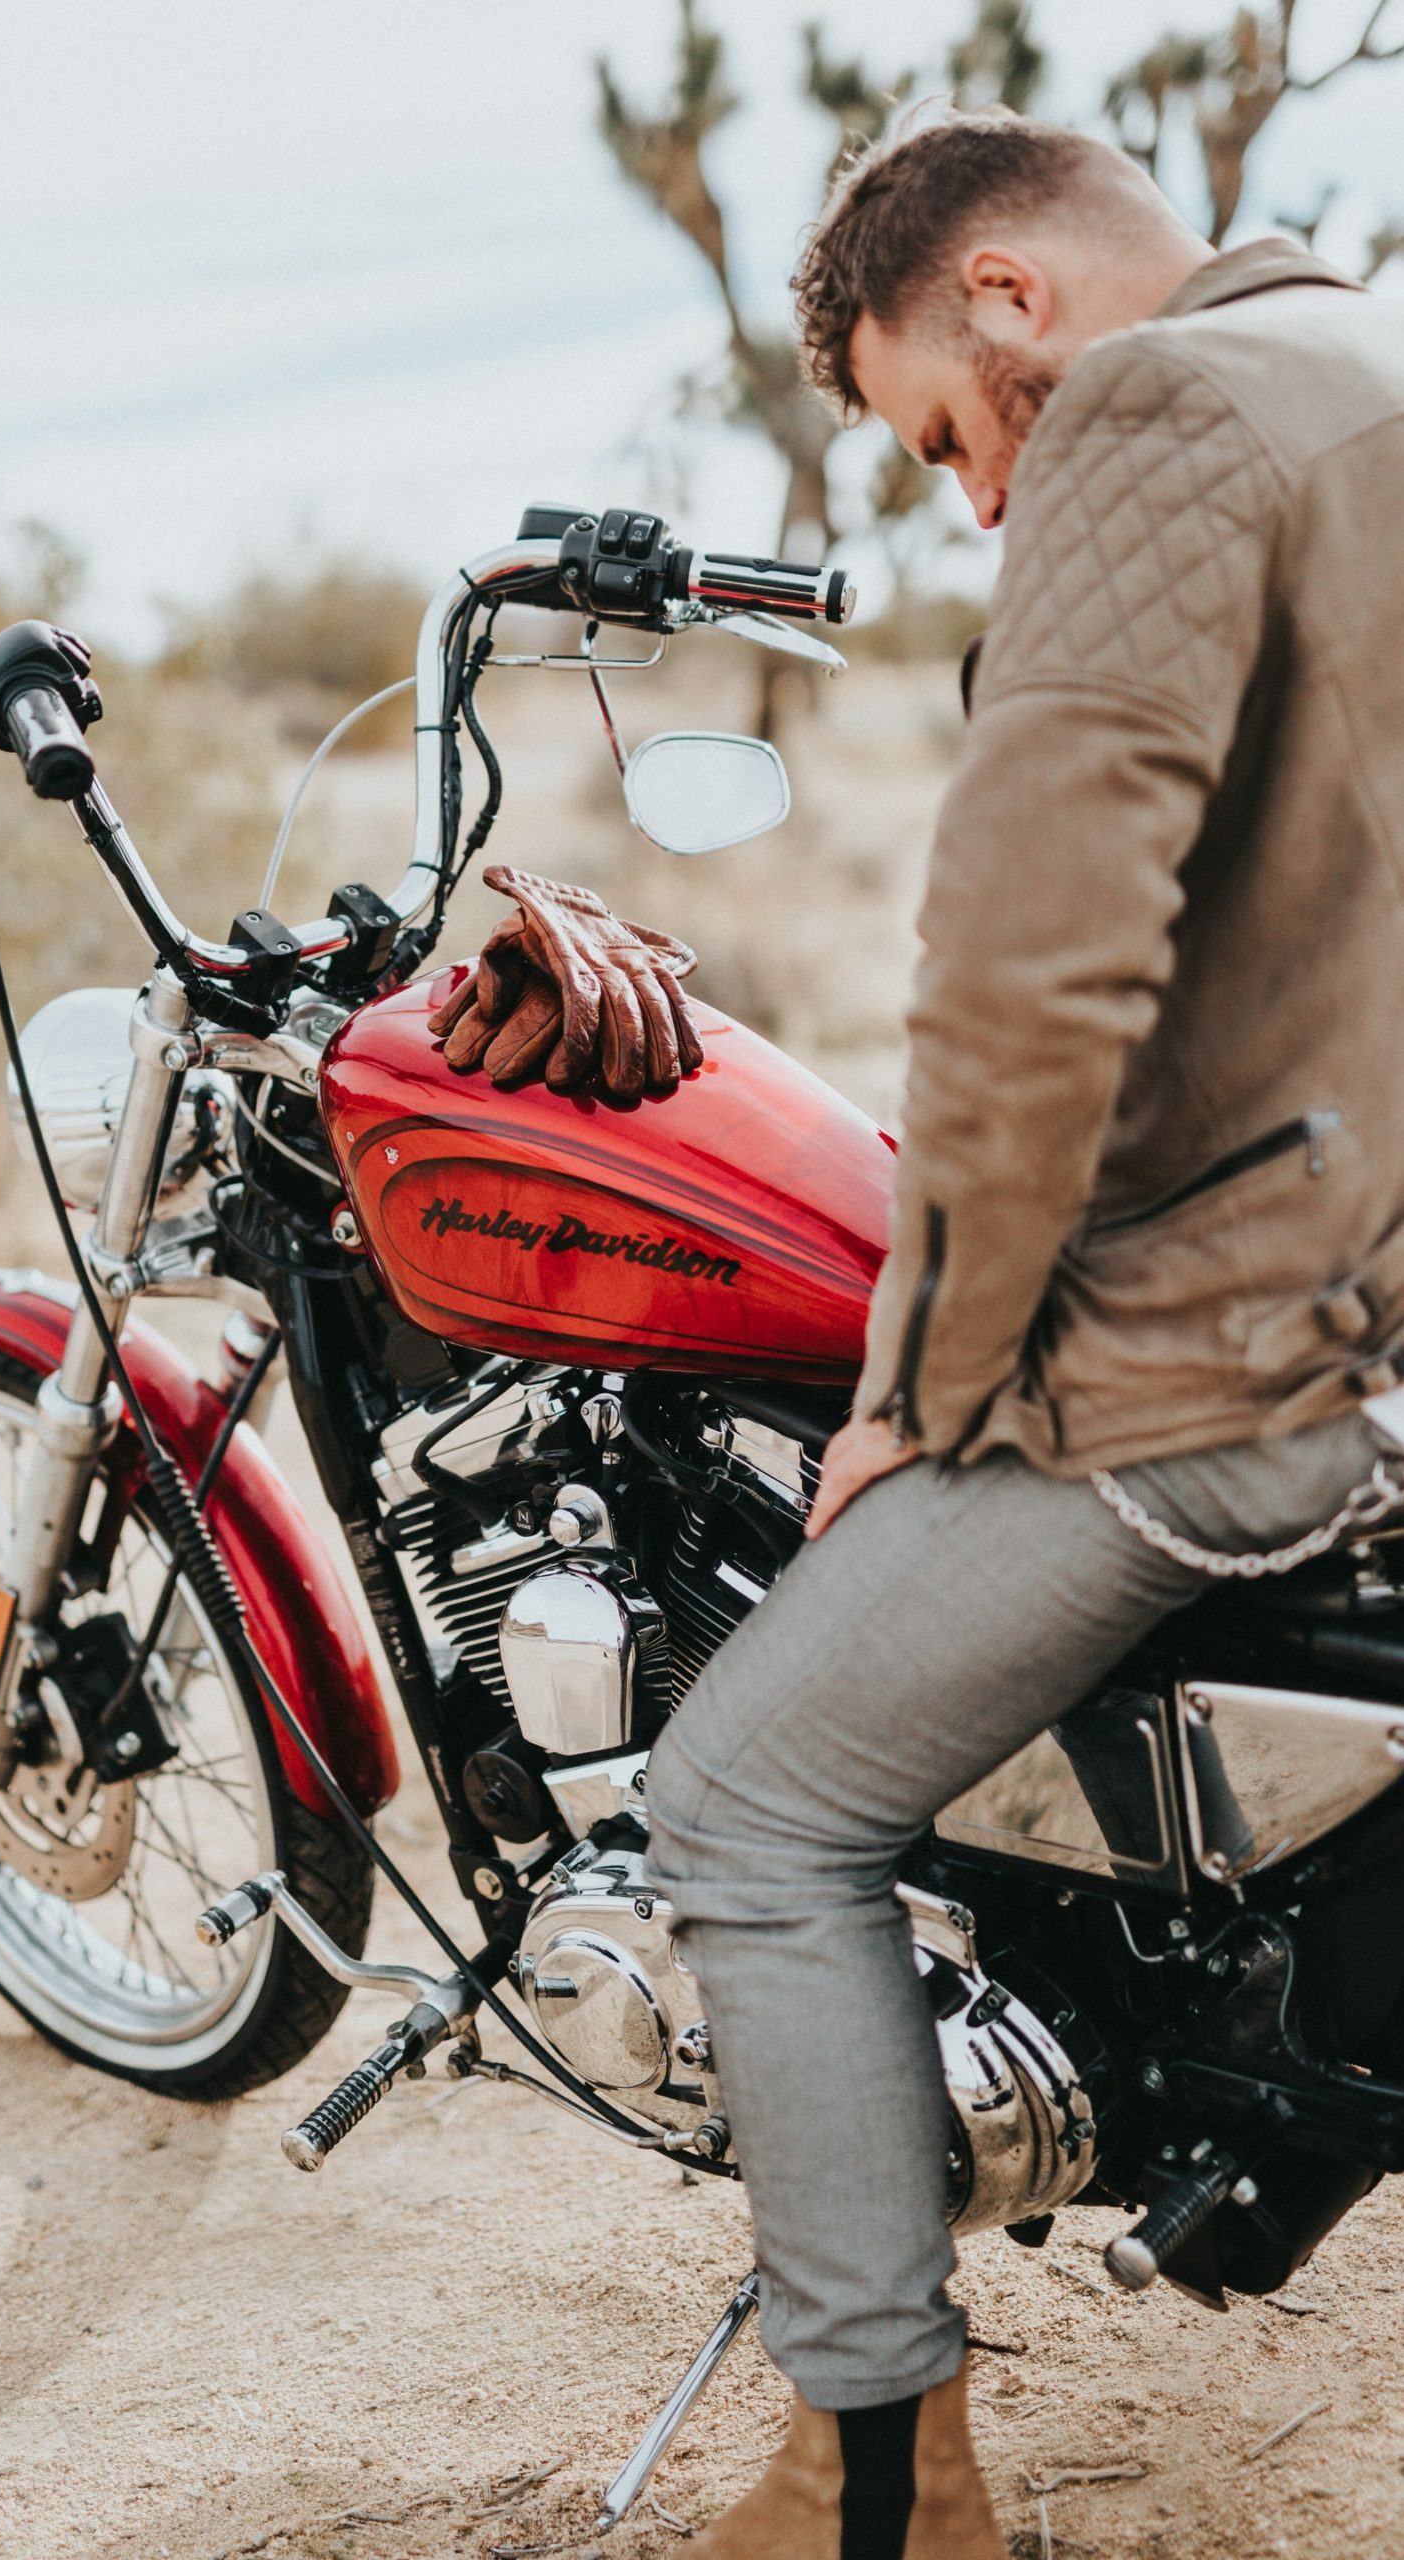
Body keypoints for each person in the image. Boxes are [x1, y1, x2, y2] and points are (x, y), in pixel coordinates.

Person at [642, 108, 1404, 2559]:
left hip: (1211, 1359)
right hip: (1362, 1294)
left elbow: (1023, 971)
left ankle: (883, 2466)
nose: (972, 501)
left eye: (946, 439)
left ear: (1002, 299)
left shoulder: (1155, 415)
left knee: (743, 1798)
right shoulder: (1352, 383)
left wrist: (914, 1389)